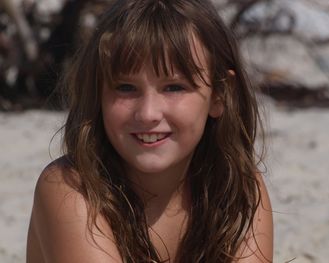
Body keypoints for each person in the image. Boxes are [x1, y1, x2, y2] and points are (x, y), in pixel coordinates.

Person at [26, 0, 273, 262]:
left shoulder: (238, 189)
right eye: (126, 88)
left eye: (174, 87)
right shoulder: (70, 188)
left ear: (220, 94)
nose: (148, 113)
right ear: (97, 93)